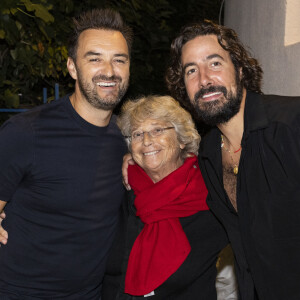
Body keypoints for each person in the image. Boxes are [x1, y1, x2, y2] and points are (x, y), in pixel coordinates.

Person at [0, 8, 132, 299]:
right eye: (94, 58)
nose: (109, 71)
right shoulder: (26, 132)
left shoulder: (127, 141)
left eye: (118, 60)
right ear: (72, 67)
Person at [165, 20, 300, 300]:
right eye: (191, 70)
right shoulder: (209, 154)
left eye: (214, 63)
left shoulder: (291, 125)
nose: (203, 79)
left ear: (239, 70)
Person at [102, 95, 228, 299]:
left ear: (181, 139)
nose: (146, 141)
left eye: (158, 130)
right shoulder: (120, 189)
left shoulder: (210, 192)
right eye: (137, 134)